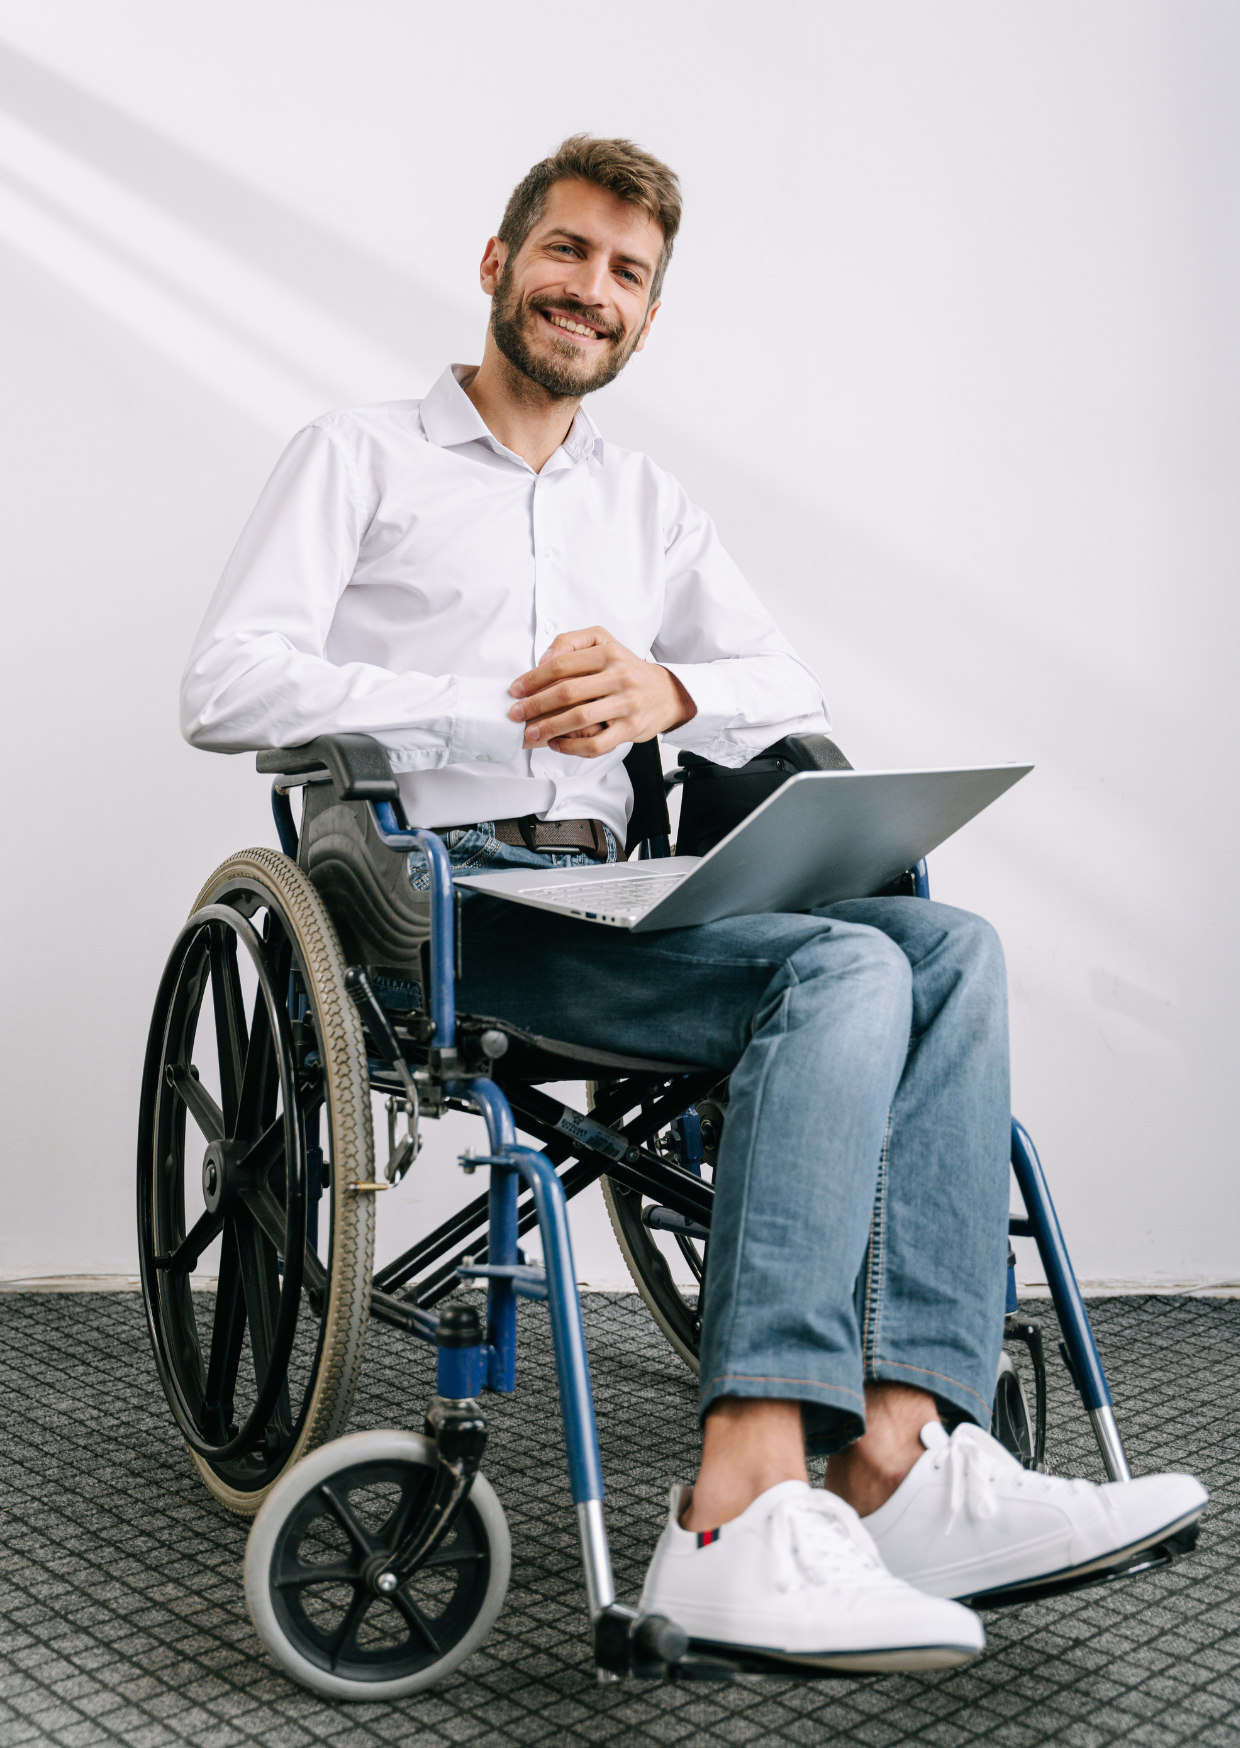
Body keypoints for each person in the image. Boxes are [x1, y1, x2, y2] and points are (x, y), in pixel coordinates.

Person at [182, 135, 1206, 1670]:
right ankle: (737, 1503)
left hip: (625, 891)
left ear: (647, 314)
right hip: (451, 899)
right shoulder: (359, 458)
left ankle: (905, 1455)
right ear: (497, 264)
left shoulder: (646, 504)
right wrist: (488, 712)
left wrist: (664, 688)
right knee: (846, 979)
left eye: (627, 274)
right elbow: (227, 682)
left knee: (949, 950)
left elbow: (782, 685)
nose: (592, 291)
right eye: (569, 253)